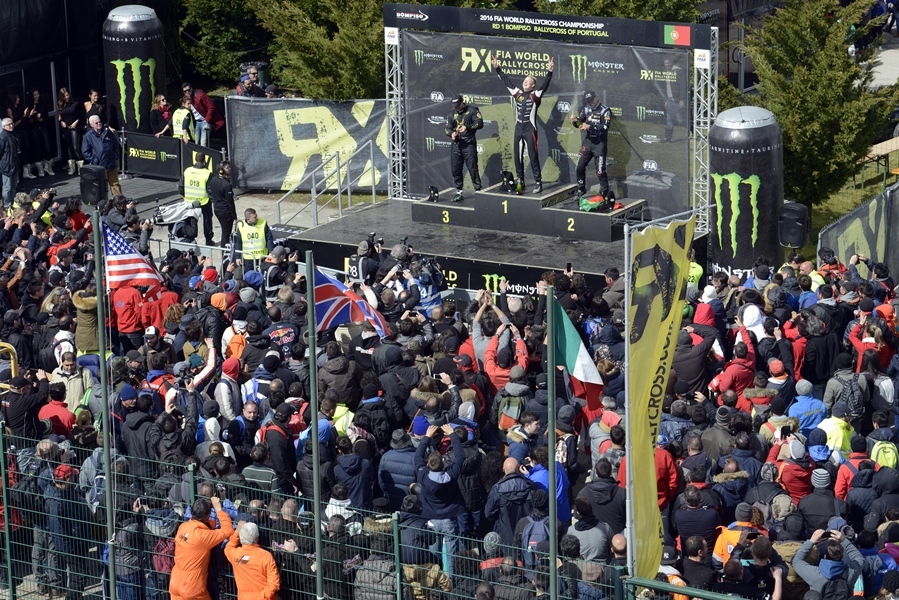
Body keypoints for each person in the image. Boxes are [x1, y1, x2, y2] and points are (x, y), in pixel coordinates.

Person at [492, 54, 554, 194]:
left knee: (532, 156)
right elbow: (506, 81)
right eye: (524, 81)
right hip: (518, 129)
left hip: (530, 130)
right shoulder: (517, 94)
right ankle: (521, 181)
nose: (525, 83)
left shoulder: (535, 95)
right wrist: (497, 68)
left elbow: (545, 85)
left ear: (532, 85)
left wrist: (550, 71)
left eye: (528, 82)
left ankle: (538, 182)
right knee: (517, 156)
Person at [169, 496, 234, 600]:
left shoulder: (183, 527)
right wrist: (218, 508)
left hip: (175, 582)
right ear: (208, 515)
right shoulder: (202, 536)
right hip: (193, 587)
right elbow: (228, 530)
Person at [570, 90, 611, 197]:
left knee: (600, 171)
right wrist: (575, 121)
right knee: (579, 167)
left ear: (597, 97)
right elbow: (580, 124)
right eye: (588, 101)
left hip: (599, 144)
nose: (590, 103)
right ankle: (581, 189)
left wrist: (590, 126)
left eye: (592, 100)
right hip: (588, 143)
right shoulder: (586, 109)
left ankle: (604, 192)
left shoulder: (605, 110)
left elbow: (605, 127)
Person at [224, 521, 279, 600]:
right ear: (257, 538)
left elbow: (228, 547)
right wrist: (261, 597)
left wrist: (237, 531)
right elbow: (274, 583)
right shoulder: (266, 556)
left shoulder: (235, 554)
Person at [445, 93, 483, 202]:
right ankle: (459, 191)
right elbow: (447, 129)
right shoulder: (451, 114)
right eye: (454, 105)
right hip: (456, 145)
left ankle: (478, 189)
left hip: (468, 144)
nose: (456, 107)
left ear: (462, 102)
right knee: (456, 169)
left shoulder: (472, 110)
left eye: (458, 105)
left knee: (472, 167)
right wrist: (451, 134)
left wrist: (468, 127)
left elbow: (480, 123)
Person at [81, 114, 122, 197]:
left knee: (115, 185)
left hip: (110, 164)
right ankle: (102, 203)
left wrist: (115, 155)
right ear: (91, 125)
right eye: (96, 123)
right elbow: (85, 151)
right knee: (99, 186)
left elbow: (115, 145)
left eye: (100, 122)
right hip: (98, 167)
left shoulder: (108, 132)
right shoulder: (88, 136)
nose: (99, 124)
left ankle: (119, 202)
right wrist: (94, 160)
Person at [180, 152, 214, 246]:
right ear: (204, 161)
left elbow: (180, 186)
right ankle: (208, 240)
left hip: (189, 201)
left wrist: (184, 196)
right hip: (204, 201)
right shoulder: (207, 173)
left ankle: (189, 239)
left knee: (191, 220)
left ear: (195, 159)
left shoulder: (187, 171)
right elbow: (210, 190)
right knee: (207, 220)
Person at [182, 82, 224, 147]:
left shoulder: (200, 95)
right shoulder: (186, 98)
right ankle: (198, 156)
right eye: (185, 91)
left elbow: (211, 107)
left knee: (203, 143)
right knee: (197, 142)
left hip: (205, 121)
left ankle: (204, 156)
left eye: (188, 90)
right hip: (197, 122)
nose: (187, 92)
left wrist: (206, 120)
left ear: (191, 89)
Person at [210, 160, 236, 247]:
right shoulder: (226, 185)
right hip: (225, 212)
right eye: (227, 167)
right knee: (226, 233)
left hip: (217, 209)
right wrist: (234, 216)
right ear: (221, 170)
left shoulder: (213, 180)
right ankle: (224, 252)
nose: (230, 169)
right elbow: (230, 203)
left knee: (224, 231)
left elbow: (210, 193)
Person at [57, 87, 83, 175]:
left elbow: (81, 115)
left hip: (74, 127)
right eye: (64, 96)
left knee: (76, 147)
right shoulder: (61, 106)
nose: (67, 97)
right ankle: (72, 167)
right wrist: (61, 122)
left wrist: (76, 122)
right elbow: (59, 117)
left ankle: (80, 167)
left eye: (67, 95)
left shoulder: (75, 103)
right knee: (69, 147)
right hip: (65, 127)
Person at [662, 58, 687, 143]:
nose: (667, 65)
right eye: (666, 63)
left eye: (669, 63)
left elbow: (683, 86)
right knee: (669, 120)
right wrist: (666, 100)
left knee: (680, 120)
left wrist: (682, 100)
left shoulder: (678, 71)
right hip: (669, 100)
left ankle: (692, 134)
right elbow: (665, 87)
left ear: (672, 63)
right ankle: (667, 138)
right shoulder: (665, 72)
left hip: (677, 100)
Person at [0, 117, 21, 209]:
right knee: (7, 187)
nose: (11, 125)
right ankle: (7, 205)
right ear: (4, 126)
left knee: (14, 185)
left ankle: (12, 203)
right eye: (9, 124)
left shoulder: (13, 134)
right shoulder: (2, 137)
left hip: (15, 164)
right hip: (7, 166)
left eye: (12, 123)